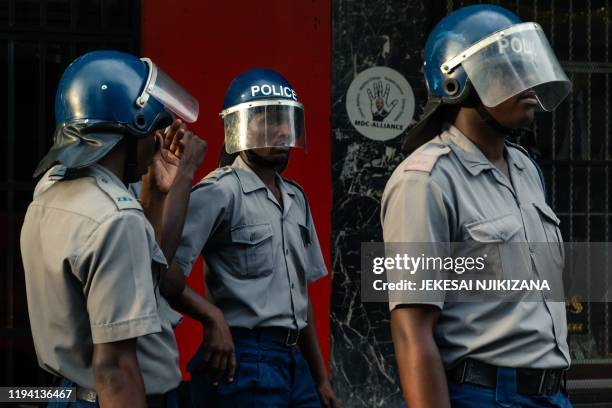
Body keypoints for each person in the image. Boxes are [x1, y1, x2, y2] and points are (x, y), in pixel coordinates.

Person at [381, 5, 573, 408]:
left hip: (552, 394)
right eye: (508, 71)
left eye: (528, 68)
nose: (529, 85)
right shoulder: (426, 180)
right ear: (458, 83)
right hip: (487, 395)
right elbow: (411, 330)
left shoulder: (525, 169)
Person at [20, 50, 207, 407]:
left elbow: (143, 273)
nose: (158, 139)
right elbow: (116, 370)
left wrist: (153, 190)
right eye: (152, 127)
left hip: (68, 393)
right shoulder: (117, 220)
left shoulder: (49, 189)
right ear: (131, 125)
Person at [161, 68, 339, 407]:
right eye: (271, 120)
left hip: (294, 366)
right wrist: (212, 318)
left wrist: (321, 379)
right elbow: (166, 275)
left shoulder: (296, 198)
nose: (284, 131)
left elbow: (299, 300)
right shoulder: (220, 191)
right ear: (239, 128)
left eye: (287, 120)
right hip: (243, 357)